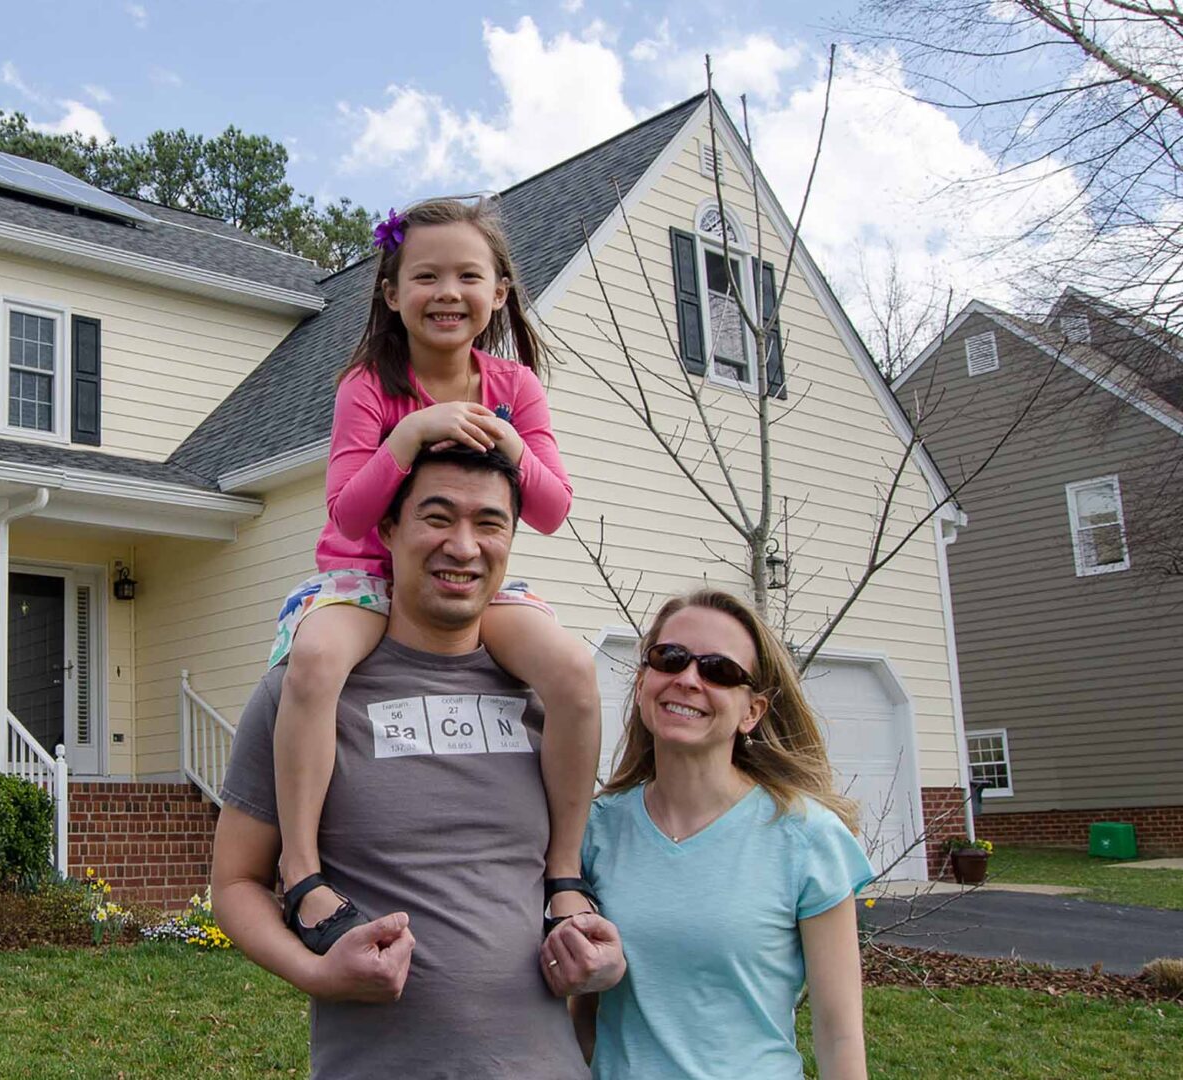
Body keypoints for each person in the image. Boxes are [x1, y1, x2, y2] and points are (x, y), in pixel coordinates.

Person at [213, 446, 626, 1080]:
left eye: (489, 523)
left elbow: (575, 891)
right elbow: (236, 885)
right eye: (437, 517)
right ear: (388, 529)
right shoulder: (305, 695)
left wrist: (598, 964)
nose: (463, 546)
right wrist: (319, 972)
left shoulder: (547, 701)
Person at [270, 196, 602, 953]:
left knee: (575, 672)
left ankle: (563, 870)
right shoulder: (367, 385)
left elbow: (550, 512)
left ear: (499, 293)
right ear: (392, 293)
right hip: (366, 579)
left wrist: (513, 448)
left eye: (467, 275)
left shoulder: (513, 387)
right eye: (425, 276)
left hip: (469, 581)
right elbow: (350, 517)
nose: (446, 292)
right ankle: (299, 869)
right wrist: (411, 434)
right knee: (317, 661)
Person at [572, 590, 872, 1079]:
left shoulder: (808, 837)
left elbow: (839, 1036)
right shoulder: (594, 830)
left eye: (719, 671)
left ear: (751, 712)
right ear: (645, 679)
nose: (689, 679)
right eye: (670, 659)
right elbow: (580, 1019)